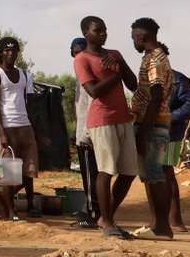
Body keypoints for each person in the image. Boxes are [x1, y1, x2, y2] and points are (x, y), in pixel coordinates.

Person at [72, 15, 138, 240]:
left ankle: (106, 217)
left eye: (104, 30)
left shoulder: (115, 55)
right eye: (97, 30)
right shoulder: (81, 59)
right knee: (106, 171)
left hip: (123, 118)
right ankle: (107, 221)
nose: (103, 34)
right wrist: (115, 75)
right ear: (86, 33)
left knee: (129, 172)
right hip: (101, 120)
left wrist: (119, 67)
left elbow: (133, 84)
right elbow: (93, 91)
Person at [0, 36, 41, 220]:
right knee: (7, 172)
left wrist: (36, 130)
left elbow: (29, 103)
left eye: (14, 50)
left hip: (24, 126)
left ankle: (3, 200)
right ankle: (10, 211)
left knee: (28, 171)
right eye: (7, 50)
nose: (11, 53)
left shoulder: (25, 75)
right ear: (1, 53)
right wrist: (0, 131)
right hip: (6, 127)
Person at [128, 17, 174, 241]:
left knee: (156, 176)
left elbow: (155, 95)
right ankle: (157, 225)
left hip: (153, 124)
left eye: (133, 38)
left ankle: (163, 227)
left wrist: (144, 130)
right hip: (155, 123)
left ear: (141, 36)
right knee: (153, 175)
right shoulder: (155, 56)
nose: (133, 42)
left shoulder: (154, 59)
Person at [164, 69, 190, 233]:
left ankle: (175, 221)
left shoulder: (177, 79)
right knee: (159, 175)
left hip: (170, 134)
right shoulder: (150, 76)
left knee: (167, 173)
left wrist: (170, 117)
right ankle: (167, 220)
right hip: (156, 132)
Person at [70, 37, 101, 229]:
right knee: (90, 175)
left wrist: (86, 133)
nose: (78, 55)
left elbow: (92, 106)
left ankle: (92, 213)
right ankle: (93, 210)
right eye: (75, 52)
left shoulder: (89, 75)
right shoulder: (80, 75)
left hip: (89, 135)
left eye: (81, 51)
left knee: (91, 176)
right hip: (84, 132)